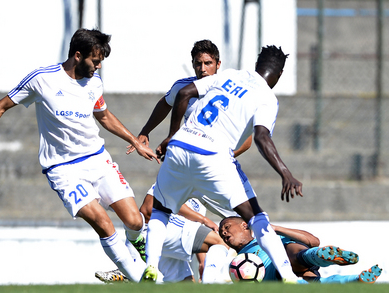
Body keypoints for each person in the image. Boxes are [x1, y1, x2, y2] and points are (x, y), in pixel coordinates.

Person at [0, 28, 159, 282]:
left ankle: (133, 253)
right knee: (102, 222)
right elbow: (2, 105)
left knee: (133, 221)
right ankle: (142, 280)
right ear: (77, 55)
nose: (98, 67)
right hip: (63, 170)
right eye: (95, 61)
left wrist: (135, 140)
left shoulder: (93, 83)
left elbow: (104, 116)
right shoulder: (42, 79)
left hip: (97, 160)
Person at [142, 45, 304, 283]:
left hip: (180, 148)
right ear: (278, 75)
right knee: (256, 217)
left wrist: (171, 136)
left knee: (160, 210)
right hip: (213, 156)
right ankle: (289, 276)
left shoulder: (230, 75)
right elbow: (261, 137)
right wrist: (285, 172)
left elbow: (185, 93)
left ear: (257, 65)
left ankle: (152, 267)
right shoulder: (267, 97)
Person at [95, 184, 228, 283]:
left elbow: (197, 234)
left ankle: (130, 278)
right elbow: (148, 209)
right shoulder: (173, 177)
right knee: (222, 240)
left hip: (171, 242)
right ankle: (209, 286)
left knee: (186, 285)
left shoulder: (202, 195)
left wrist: (202, 262)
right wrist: (203, 219)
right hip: (152, 235)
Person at [207, 216, 382, 284]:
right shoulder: (236, 263)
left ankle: (321, 256)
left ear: (245, 225)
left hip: (293, 260)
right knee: (314, 285)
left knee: (290, 249)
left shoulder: (267, 238)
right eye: (222, 233)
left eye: (227, 227)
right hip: (282, 279)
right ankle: (357, 279)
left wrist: (274, 228)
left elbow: (313, 240)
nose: (223, 232)